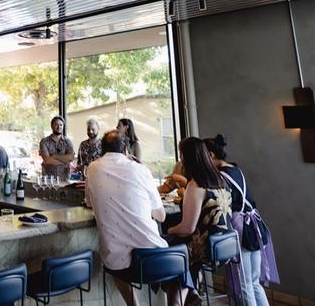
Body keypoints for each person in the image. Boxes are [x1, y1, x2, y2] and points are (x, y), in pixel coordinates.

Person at [85, 130, 189, 306]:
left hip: (117, 263)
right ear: (126, 149)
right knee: (183, 262)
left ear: (102, 149)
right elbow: (161, 216)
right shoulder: (140, 169)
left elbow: (89, 202)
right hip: (154, 258)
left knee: (116, 265)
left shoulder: (93, 168)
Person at [204, 135, 279, 306]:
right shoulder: (236, 169)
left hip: (241, 228)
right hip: (255, 226)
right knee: (253, 282)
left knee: (244, 284)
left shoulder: (221, 177)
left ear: (210, 155)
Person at [167, 137, 232, 287]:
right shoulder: (221, 179)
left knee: (166, 250)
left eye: (181, 155)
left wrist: (168, 230)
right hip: (224, 245)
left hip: (205, 249)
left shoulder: (196, 185)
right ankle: (191, 292)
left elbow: (187, 229)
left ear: (187, 158)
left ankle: (184, 295)